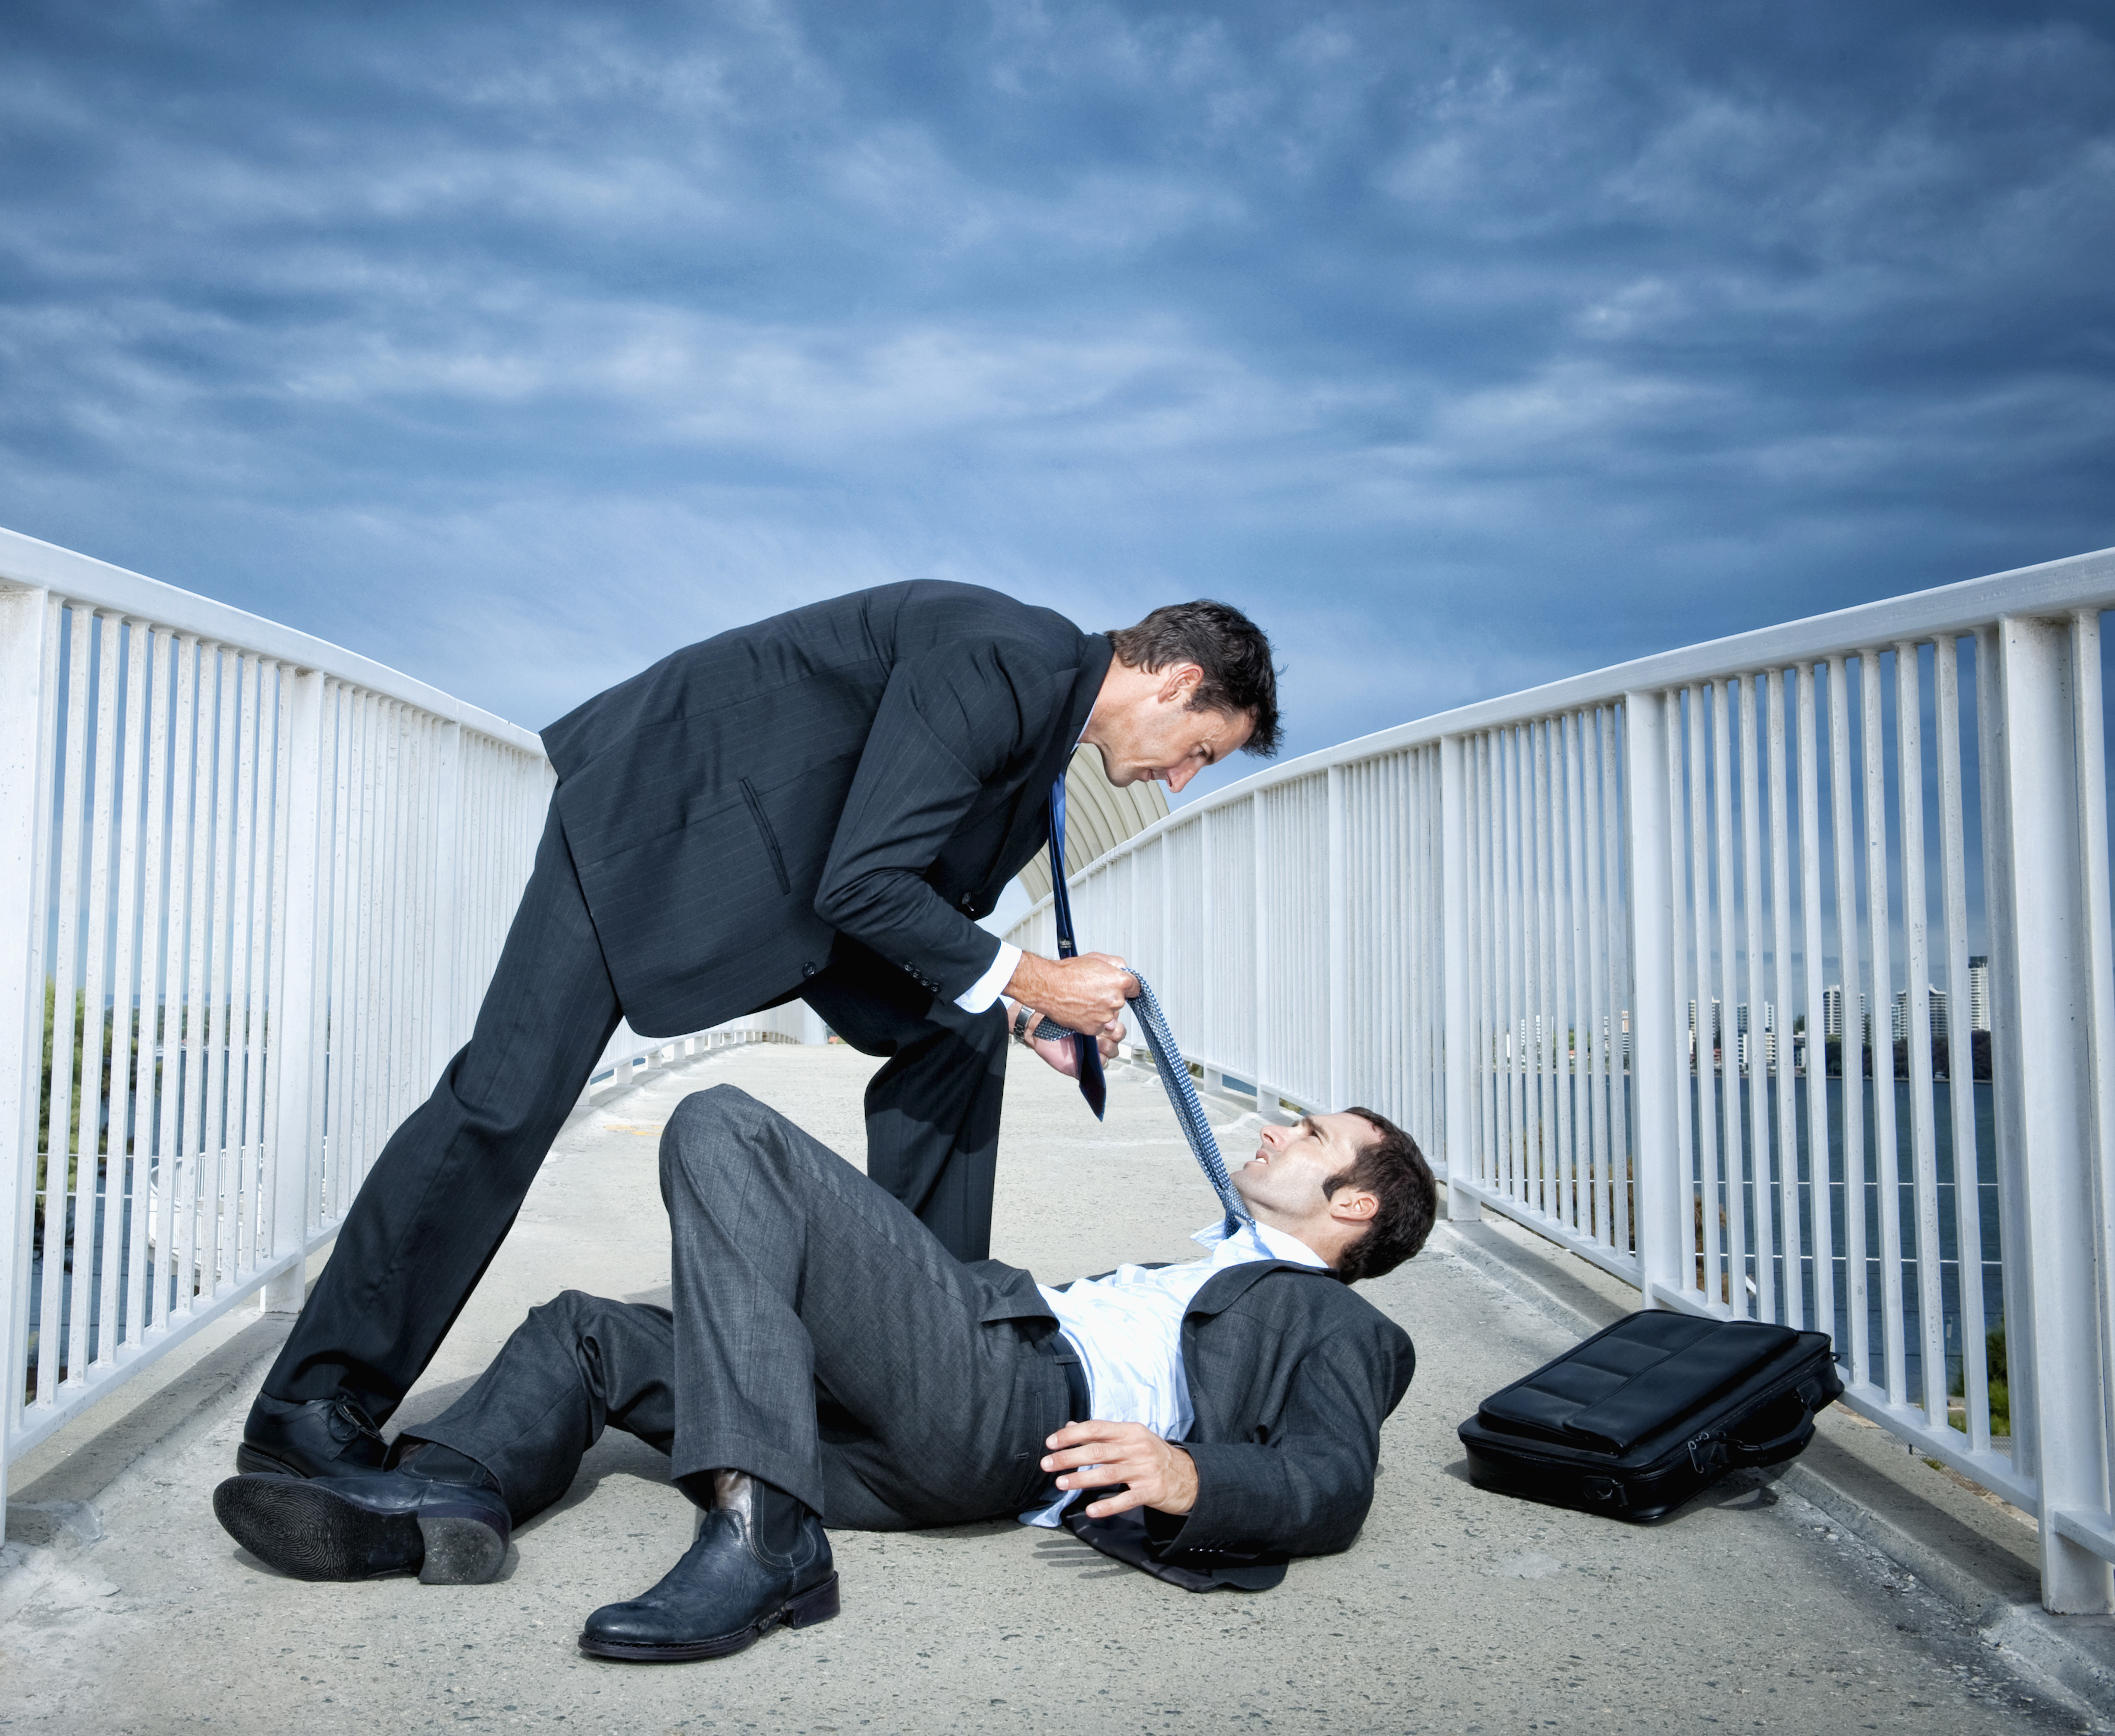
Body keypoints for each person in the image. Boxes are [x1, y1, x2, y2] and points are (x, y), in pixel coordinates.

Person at [238, 582, 1280, 1486]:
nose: (1182, 778)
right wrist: (1039, 977)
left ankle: (918, 1358)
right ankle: (311, 1408)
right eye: (1199, 751)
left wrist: (1011, 1002)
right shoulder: (1008, 657)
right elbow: (871, 879)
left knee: (953, 1040)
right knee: (501, 1104)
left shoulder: (1043, 716)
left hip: (802, 884)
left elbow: (902, 883)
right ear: (1179, 682)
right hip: (663, 822)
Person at [212, 1081, 1433, 1662]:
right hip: (919, 1443)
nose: (1277, 1130)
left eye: (1311, 1137)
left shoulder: (1332, 1323)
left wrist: (1188, 1474)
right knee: (592, 1329)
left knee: (724, 1126)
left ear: (1354, 1203)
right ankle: (444, 1497)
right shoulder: (1198, 1266)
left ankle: (764, 1541)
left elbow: (1331, 1480)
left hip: (1004, 1397)